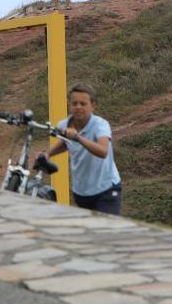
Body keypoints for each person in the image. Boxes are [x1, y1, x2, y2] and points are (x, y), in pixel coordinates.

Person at [41, 84, 122, 215]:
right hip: (81, 192)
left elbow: (103, 151)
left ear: (92, 105)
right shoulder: (64, 125)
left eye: (83, 104)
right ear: (69, 104)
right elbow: (65, 143)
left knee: (106, 229)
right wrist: (47, 154)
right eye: (75, 103)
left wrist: (77, 137)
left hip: (106, 189)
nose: (78, 107)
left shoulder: (100, 125)